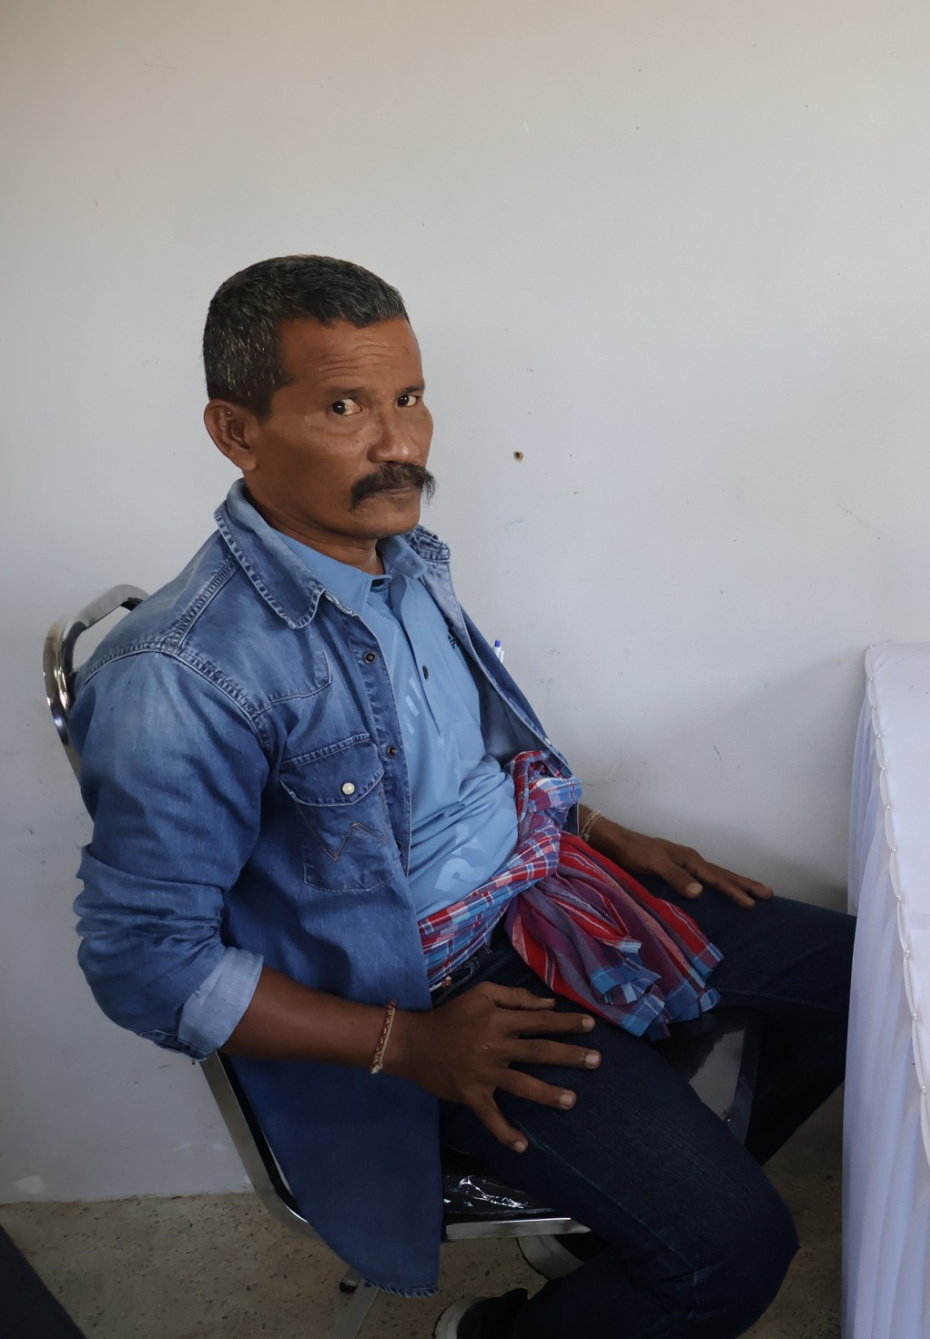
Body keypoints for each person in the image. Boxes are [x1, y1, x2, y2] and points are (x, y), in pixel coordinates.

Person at [68, 255, 854, 1339]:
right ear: (237, 432)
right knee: (735, 1255)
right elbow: (144, 964)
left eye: (409, 398)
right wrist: (408, 1046)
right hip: (431, 990)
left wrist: (591, 827)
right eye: (344, 407)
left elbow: (454, 763)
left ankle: (613, 1230)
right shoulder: (179, 675)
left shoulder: (401, 559)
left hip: (547, 883)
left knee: (865, 979)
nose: (399, 444)